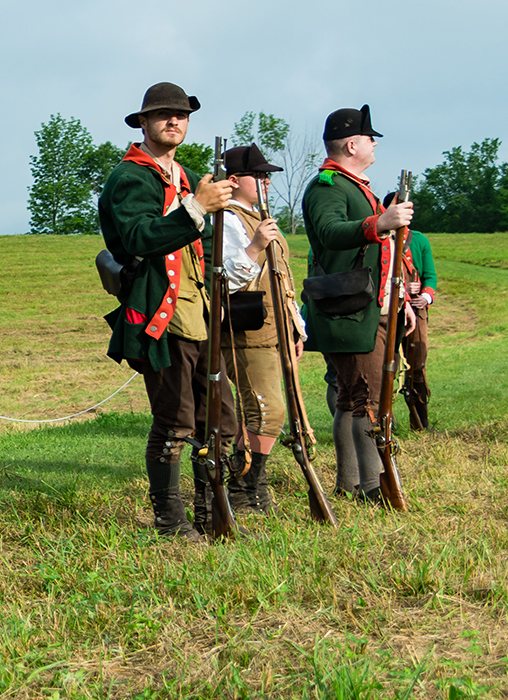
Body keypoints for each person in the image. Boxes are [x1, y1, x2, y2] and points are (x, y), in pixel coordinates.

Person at [98, 82, 238, 540]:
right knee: (175, 421)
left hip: (197, 310)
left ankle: (209, 515)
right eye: (162, 114)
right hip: (161, 313)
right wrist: (197, 206)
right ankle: (171, 522)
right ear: (143, 121)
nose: (173, 121)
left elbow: (201, 247)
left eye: (180, 114)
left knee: (218, 419)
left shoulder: (183, 175)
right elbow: (140, 238)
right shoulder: (130, 177)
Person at [302, 105, 414, 504]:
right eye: (369, 137)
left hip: (360, 306)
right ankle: (373, 487)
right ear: (352, 144)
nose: (374, 142)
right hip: (347, 309)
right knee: (367, 399)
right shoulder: (328, 186)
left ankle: (351, 483)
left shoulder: (352, 185)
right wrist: (380, 223)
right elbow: (332, 233)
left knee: (353, 398)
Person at [214, 146, 296, 514]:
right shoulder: (227, 219)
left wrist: (296, 329)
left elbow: (284, 281)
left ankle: (251, 487)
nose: (266, 182)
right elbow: (224, 280)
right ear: (234, 181)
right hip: (246, 330)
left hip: (274, 329)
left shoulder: (258, 217)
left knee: (264, 412)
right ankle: (246, 489)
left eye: (267, 176)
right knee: (268, 412)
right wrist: (256, 245)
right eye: (259, 176)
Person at [382, 190, 438, 432]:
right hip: (387, 310)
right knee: (387, 365)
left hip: (416, 308)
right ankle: (386, 422)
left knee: (417, 366)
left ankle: (421, 423)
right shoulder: (380, 238)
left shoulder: (420, 241)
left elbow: (430, 276)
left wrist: (424, 295)